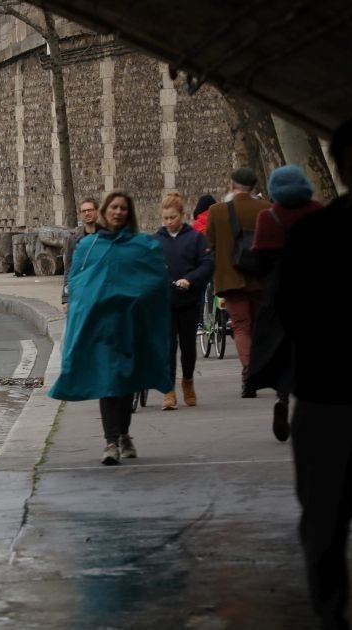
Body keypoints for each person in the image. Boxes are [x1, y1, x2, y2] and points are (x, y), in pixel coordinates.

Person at [276, 119, 352, 630]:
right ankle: (329, 617)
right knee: (323, 529)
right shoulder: (315, 236)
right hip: (326, 404)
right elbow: (296, 314)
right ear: (341, 170)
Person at [51, 191, 172, 465]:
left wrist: (135, 297)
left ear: (129, 214)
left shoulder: (142, 246)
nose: (118, 212)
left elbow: (155, 280)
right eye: (114, 207)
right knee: (108, 382)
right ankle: (110, 441)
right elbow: (78, 283)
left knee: (126, 383)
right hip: (101, 328)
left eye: (123, 208)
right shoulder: (88, 246)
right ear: (106, 211)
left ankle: (124, 435)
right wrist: (82, 306)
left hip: (130, 325)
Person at [247, 165, 325, 442]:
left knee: (281, 350)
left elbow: (258, 261)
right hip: (316, 294)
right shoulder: (318, 212)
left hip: (280, 295)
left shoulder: (268, 217)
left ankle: (282, 397)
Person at [206, 167, 272, 397]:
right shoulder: (266, 209)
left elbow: (211, 244)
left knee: (241, 327)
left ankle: (248, 375)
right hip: (260, 279)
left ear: (232, 185)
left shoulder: (216, 211)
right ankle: (262, 372)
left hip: (231, 279)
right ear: (254, 187)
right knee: (257, 327)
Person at [153, 191, 214, 410]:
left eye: (173, 218)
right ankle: (168, 389)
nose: (169, 222)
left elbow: (207, 263)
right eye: (166, 218)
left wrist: (190, 279)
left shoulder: (195, 238)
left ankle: (187, 380)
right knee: (168, 346)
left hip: (189, 300)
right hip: (165, 302)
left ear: (182, 215)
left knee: (188, 347)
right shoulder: (156, 240)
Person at [62, 197, 99, 309]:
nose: (87, 213)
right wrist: (66, 298)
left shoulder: (108, 237)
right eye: (84, 211)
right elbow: (69, 269)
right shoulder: (72, 239)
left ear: (97, 212)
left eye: (90, 210)